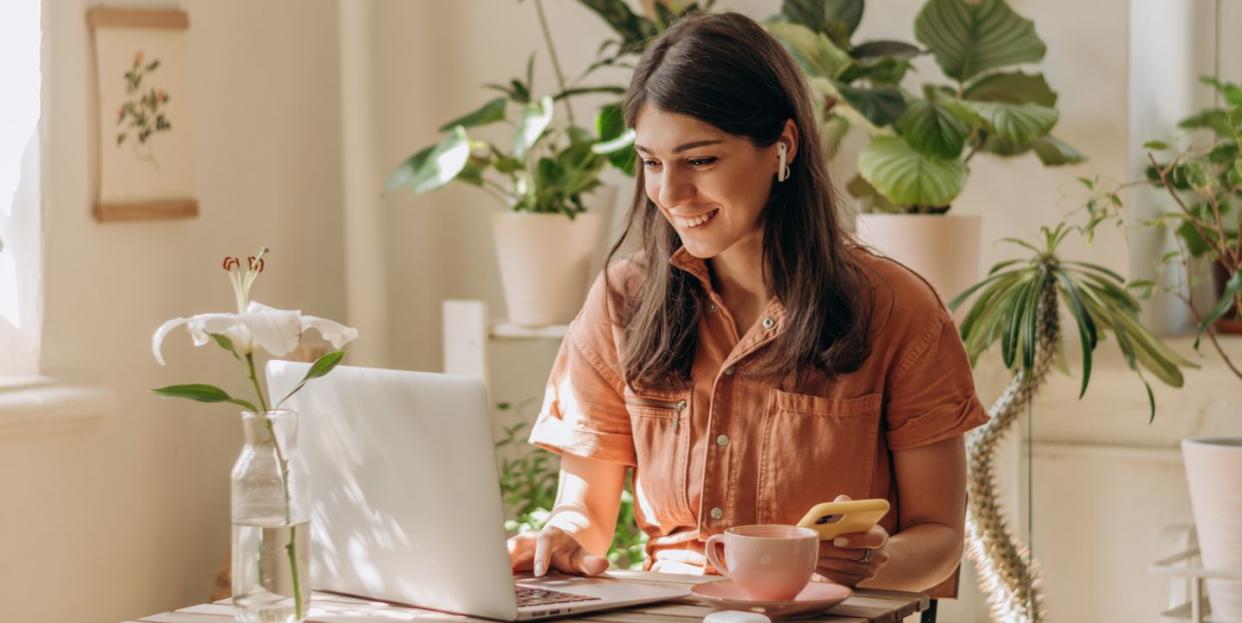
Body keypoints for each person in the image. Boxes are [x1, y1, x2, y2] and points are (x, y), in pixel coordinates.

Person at [506, 11, 988, 595]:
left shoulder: (896, 307)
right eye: (652, 163)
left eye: (701, 160)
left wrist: (873, 564)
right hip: (672, 609)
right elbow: (584, 514)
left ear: (782, 145)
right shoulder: (621, 301)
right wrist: (560, 539)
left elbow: (940, 534)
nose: (670, 194)